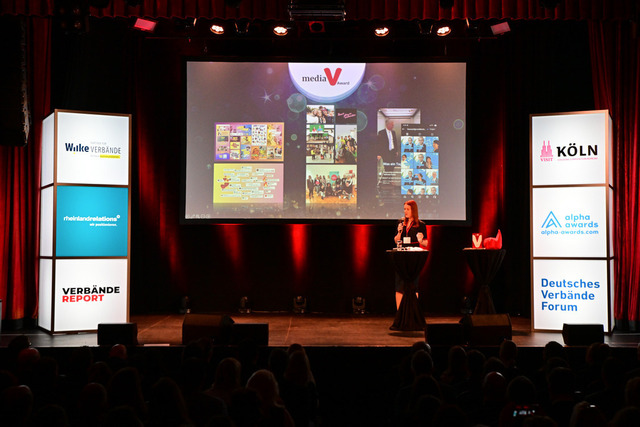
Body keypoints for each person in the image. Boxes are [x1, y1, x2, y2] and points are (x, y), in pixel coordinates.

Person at [393, 200, 428, 309]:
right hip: (402, 256)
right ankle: (399, 311)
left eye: (408, 209)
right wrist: (399, 232)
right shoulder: (401, 223)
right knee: (400, 285)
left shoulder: (421, 225)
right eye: (404, 209)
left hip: (414, 256)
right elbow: (396, 240)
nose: (405, 211)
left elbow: (425, 243)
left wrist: (421, 240)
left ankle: (413, 311)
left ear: (413, 210)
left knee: (414, 284)